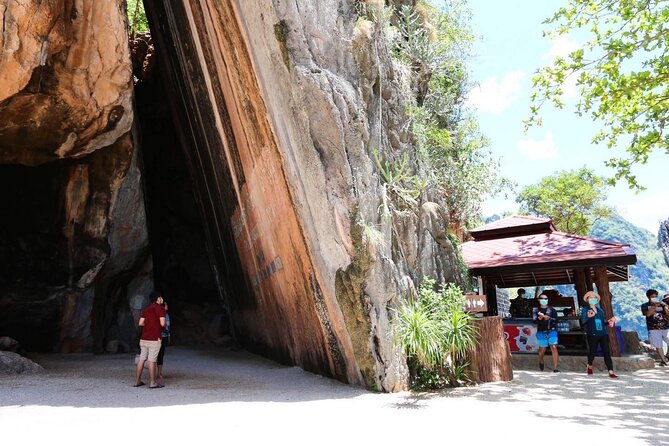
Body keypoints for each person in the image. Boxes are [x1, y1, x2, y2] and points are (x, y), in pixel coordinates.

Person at [581, 291, 618, 378]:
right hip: (592, 334)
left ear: (597, 300)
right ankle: (589, 365)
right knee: (592, 352)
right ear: (587, 299)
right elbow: (583, 321)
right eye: (590, 297)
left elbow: (602, 321)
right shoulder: (585, 310)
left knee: (607, 352)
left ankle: (610, 371)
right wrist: (588, 317)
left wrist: (608, 321)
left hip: (603, 333)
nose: (593, 299)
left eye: (594, 298)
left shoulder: (600, 310)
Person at [134, 291, 167, 388]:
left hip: (144, 338)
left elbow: (140, 323)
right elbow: (162, 324)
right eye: (160, 297)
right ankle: (153, 383)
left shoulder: (146, 309)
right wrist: (161, 326)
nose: (161, 299)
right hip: (154, 338)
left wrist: (149, 324)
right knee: (152, 360)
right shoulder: (161, 309)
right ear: (158, 299)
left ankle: (137, 381)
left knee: (142, 359)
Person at [532, 293, 560, 372]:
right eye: (542, 298)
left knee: (554, 347)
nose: (544, 300)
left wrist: (549, 318)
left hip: (552, 330)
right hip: (541, 331)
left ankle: (555, 368)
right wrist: (539, 318)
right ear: (539, 300)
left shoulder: (552, 309)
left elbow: (557, 320)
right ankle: (541, 360)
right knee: (542, 349)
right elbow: (534, 322)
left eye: (546, 299)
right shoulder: (536, 310)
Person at [641, 289, 669, 366]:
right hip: (653, 328)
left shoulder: (662, 304)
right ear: (648, 297)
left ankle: (667, 355)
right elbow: (648, 314)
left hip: (665, 327)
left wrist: (665, 306)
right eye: (652, 296)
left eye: (656, 296)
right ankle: (663, 360)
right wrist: (654, 306)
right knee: (658, 345)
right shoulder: (645, 305)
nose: (654, 297)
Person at [157, 301, 171, 385]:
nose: (167, 307)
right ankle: (154, 372)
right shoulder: (159, 314)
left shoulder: (167, 315)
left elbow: (168, 327)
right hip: (158, 336)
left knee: (161, 354)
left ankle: (159, 373)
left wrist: (169, 336)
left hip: (165, 336)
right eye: (166, 305)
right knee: (155, 354)